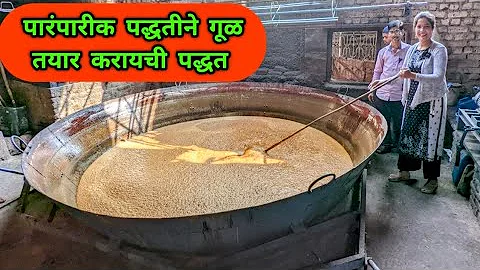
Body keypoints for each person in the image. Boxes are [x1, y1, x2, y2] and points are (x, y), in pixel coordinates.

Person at [388, 11, 449, 195]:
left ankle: (432, 179)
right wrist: (381, 82)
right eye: (419, 26)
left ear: (432, 29)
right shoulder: (413, 49)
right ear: (414, 28)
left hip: (431, 102)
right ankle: (405, 172)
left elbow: (438, 77)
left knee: (430, 139)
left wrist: (413, 76)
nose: (422, 30)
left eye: (426, 27)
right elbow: (403, 73)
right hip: (412, 99)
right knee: (408, 134)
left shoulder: (439, 50)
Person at [368, 20, 411, 154]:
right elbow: (377, 71)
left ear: (402, 33)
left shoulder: (409, 51)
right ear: (389, 34)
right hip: (382, 93)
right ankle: (386, 145)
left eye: (398, 31)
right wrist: (372, 89)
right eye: (392, 32)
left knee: (399, 122)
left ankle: (398, 146)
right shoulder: (383, 52)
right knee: (384, 121)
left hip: (400, 95)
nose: (395, 34)